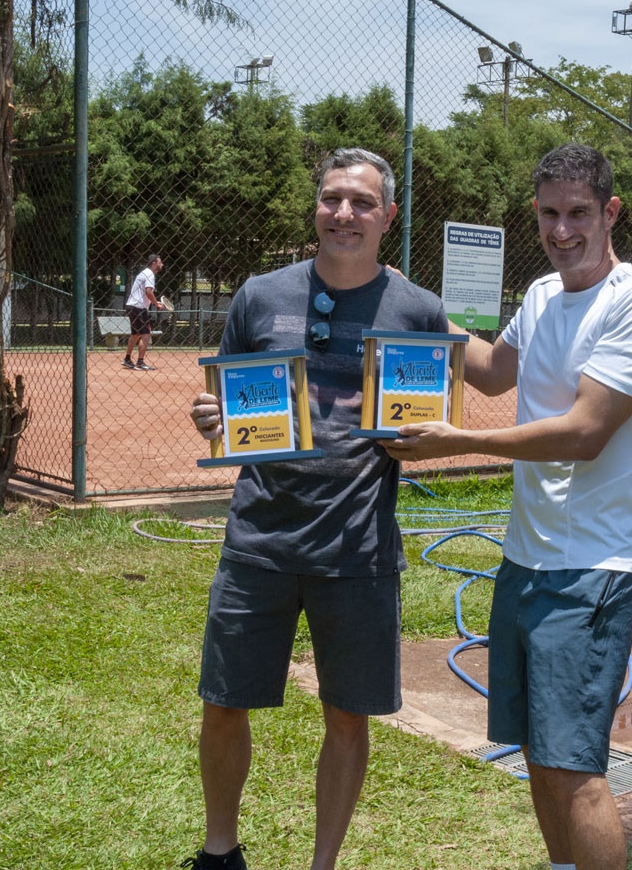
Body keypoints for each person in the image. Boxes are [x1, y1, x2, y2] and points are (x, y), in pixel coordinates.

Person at [383, 144, 632, 870]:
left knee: (575, 767)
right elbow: (492, 372)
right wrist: (409, 300)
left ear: (611, 212)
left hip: (596, 565)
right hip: (527, 557)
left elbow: (583, 433)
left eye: (579, 213)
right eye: (550, 213)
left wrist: (459, 442)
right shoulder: (544, 295)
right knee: (538, 753)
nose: (562, 230)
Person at [185, 148, 447, 870]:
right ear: (317, 208)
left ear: (388, 216)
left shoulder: (419, 310)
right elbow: (228, 399)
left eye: (362, 202)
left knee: (347, 716)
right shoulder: (259, 296)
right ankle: (219, 851)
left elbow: (431, 413)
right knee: (223, 700)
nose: (344, 214)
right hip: (258, 540)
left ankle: (322, 864)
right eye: (333, 198)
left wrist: (423, 438)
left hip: (357, 549)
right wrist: (214, 417)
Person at [124, 253, 169, 371]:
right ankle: (140, 362)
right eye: (160, 262)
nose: (162, 264)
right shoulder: (150, 274)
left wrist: (154, 302)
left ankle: (127, 359)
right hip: (139, 308)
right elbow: (149, 291)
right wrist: (156, 304)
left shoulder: (143, 273)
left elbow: (145, 293)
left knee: (135, 334)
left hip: (131, 306)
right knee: (146, 334)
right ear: (154, 263)